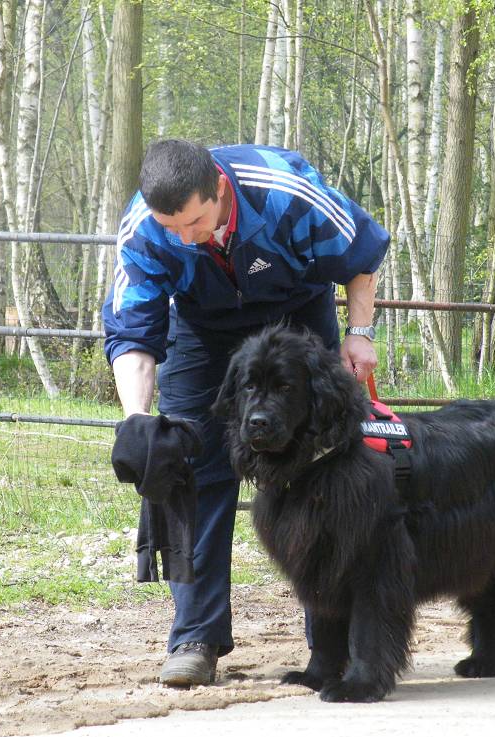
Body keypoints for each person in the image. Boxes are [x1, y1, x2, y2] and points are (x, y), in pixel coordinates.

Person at [102, 140, 389, 687]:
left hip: (294, 315)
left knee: (320, 469)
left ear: (219, 188)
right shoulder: (144, 227)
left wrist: (359, 333)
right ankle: (195, 635)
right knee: (184, 465)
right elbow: (132, 330)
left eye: (197, 222)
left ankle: (331, 641)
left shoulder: (287, 191)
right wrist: (138, 419)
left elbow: (360, 256)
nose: (187, 237)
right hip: (202, 327)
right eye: (175, 229)